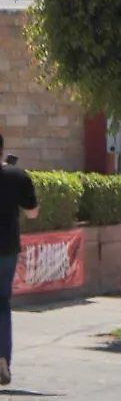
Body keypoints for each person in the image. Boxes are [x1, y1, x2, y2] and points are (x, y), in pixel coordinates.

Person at [0, 134, 39, 387]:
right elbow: (33, 212)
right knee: (2, 302)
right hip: (6, 248)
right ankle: (2, 358)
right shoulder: (17, 176)